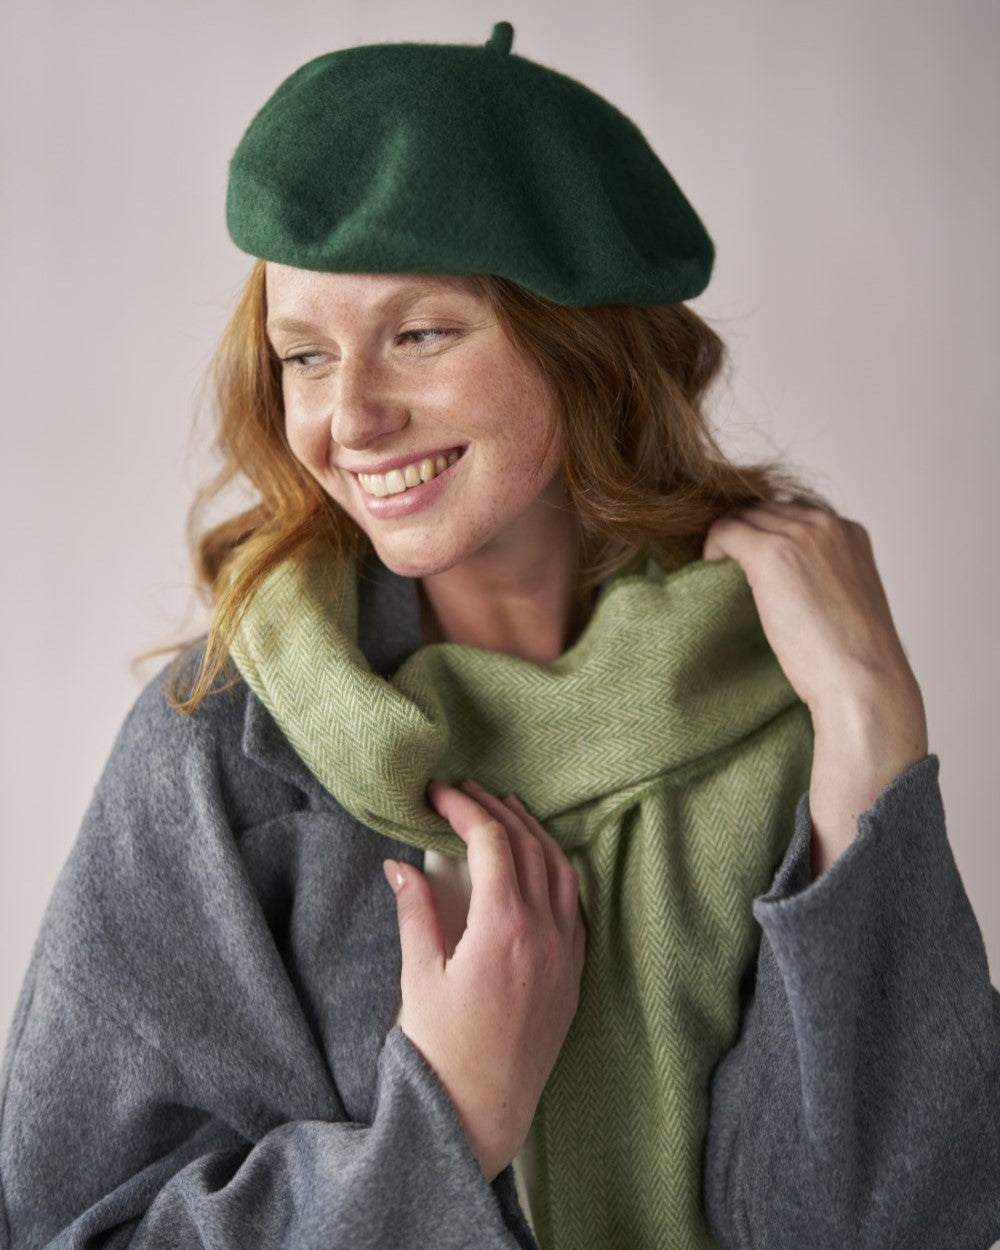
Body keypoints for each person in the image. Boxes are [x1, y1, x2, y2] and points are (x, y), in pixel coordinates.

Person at [1, 20, 997, 1250]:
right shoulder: (225, 759)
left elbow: (898, 1221)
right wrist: (450, 1121)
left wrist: (868, 725)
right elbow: (64, 1227)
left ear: (586, 349)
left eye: (421, 332)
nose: (350, 417)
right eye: (305, 355)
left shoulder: (776, 699)